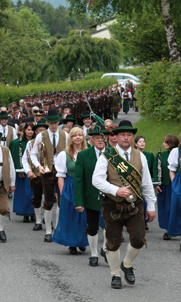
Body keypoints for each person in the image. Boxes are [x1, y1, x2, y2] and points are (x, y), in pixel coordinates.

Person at [92, 120, 156, 289]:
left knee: (138, 240)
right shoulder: (107, 156)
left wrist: (151, 206)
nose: (126, 138)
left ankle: (127, 264)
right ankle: (115, 275)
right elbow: (96, 180)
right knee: (112, 242)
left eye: (129, 135)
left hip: (135, 206)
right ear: (116, 137)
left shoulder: (140, 156)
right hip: (112, 205)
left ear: (132, 138)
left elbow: (147, 183)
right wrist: (115, 190)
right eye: (122, 135)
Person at [30, 109, 69, 242]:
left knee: (61, 199)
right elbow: (33, 153)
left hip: (62, 172)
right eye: (51, 123)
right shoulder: (41, 136)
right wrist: (38, 166)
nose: (53, 125)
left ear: (58, 122)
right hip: (47, 171)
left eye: (55, 122)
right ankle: (48, 230)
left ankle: (57, 228)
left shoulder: (65, 135)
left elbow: (71, 151)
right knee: (48, 201)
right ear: (47, 122)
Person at [73, 125, 106, 264]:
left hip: (109, 196)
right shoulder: (83, 155)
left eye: (102, 137)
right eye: (96, 138)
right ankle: (94, 254)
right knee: (92, 226)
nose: (100, 140)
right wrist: (79, 201)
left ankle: (106, 248)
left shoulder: (113, 154)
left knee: (109, 226)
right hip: (91, 197)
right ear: (91, 139)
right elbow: (78, 180)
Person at [53, 127, 89, 254]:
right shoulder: (64, 154)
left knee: (83, 216)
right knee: (70, 215)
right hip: (70, 185)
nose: (78, 137)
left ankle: (82, 240)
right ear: (71, 138)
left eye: (80, 135)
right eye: (75, 135)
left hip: (85, 186)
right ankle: (71, 244)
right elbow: (61, 176)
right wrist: (63, 194)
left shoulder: (88, 152)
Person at [22, 120, 48, 231]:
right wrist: (28, 171)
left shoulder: (51, 142)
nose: (41, 132)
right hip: (36, 175)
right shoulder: (30, 143)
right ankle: (38, 221)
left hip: (48, 174)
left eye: (44, 130)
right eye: (39, 130)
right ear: (36, 132)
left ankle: (47, 220)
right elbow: (25, 160)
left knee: (49, 198)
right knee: (37, 198)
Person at [153, 135, 179, 240]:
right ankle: (167, 230)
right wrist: (156, 184)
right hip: (164, 185)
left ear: (170, 144)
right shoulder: (160, 155)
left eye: (166, 143)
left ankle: (177, 228)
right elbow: (155, 169)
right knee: (165, 207)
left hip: (176, 185)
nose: (163, 144)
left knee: (175, 207)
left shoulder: (180, 154)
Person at [9, 123, 35, 222]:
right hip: (22, 172)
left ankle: (33, 212)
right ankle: (25, 213)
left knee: (33, 192)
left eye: (32, 130)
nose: (30, 132)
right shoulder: (16, 143)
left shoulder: (35, 142)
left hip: (33, 171)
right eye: (28, 129)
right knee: (24, 193)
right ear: (24, 131)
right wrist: (19, 169)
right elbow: (14, 157)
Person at [135, 135, 155, 231]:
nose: (142, 143)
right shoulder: (133, 154)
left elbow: (151, 169)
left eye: (143, 141)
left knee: (146, 201)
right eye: (140, 141)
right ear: (135, 144)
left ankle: (145, 221)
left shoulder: (149, 155)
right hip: (136, 181)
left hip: (146, 180)